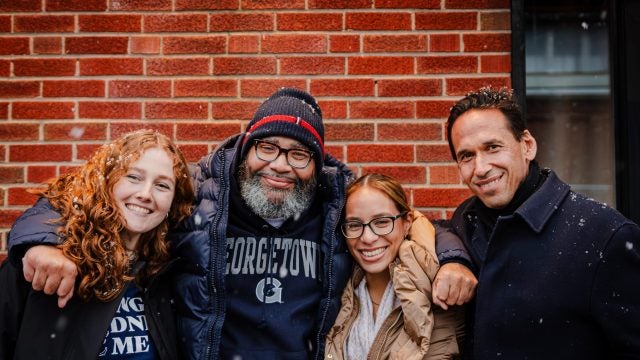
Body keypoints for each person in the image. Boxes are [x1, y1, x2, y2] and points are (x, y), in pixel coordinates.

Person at [7, 88, 477, 360]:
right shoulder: (197, 195)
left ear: (316, 166)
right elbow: (84, 201)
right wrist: (42, 243)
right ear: (246, 150)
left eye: (298, 154)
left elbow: (409, 220)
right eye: (267, 148)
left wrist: (453, 256)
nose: (280, 165)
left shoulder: (336, 204)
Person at [445, 87, 640, 359]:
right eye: (467, 156)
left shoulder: (604, 236)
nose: (480, 168)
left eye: (492, 147)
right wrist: (453, 259)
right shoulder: (464, 223)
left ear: (527, 145)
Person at [0, 129, 195, 359]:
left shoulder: (166, 273)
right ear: (108, 182)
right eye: (133, 177)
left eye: (162, 186)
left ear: (173, 202)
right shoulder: (41, 262)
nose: (145, 194)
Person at [325, 174, 465, 360]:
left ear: (407, 222)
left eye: (382, 222)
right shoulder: (335, 290)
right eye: (354, 224)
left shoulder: (438, 289)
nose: (368, 238)